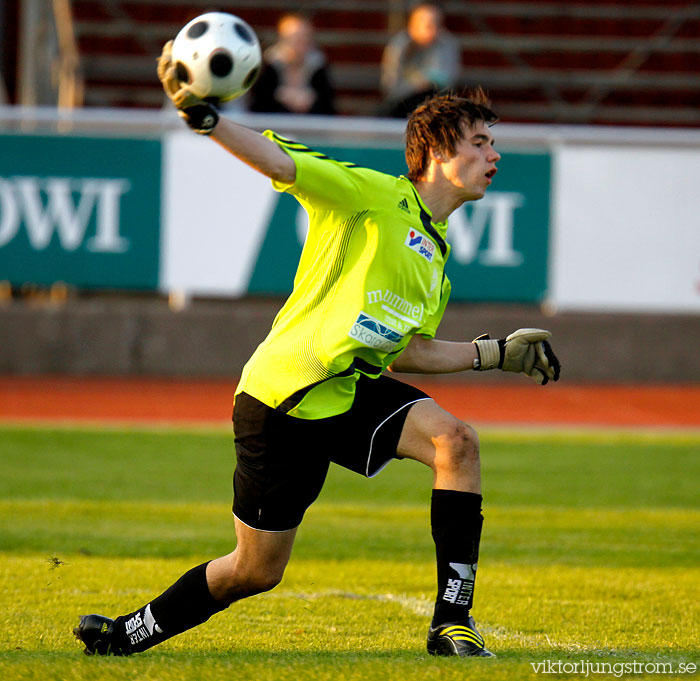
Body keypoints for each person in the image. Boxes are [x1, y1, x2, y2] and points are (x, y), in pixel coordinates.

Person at [72, 40, 561, 660]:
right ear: (438, 152)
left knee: (456, 441)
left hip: (347, 391)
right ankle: (126, 634)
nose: (495, 154)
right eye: (480, 143)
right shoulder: (370, 195)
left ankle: (451, 624)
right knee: (255, 570)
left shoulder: (436, 259)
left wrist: (494, 355)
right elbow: (280, 163)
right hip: (282, 395)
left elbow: (410, 350)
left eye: (493, 143)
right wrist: (209, 119)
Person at [380, 2, 460, 118]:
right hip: (402, 106)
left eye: (437, 25)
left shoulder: (447, 44)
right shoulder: (398, 45)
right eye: (428, 26)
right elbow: (391, 87)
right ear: (412, 25)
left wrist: (425, 82)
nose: (434, 30)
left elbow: (448, 82)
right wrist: (418, 83)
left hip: (436, 108)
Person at [248, 13, 335, 115]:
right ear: (282, 39)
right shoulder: (267, 65)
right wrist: (280, 96)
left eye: (305, 37)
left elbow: (327, 107)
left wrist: (311, 99)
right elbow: (258, 104)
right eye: (295, 38)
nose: (301, 43)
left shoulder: (318, 65)